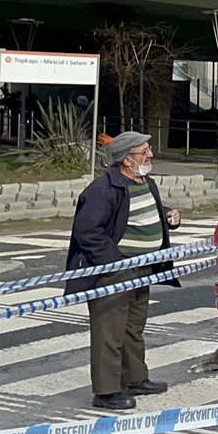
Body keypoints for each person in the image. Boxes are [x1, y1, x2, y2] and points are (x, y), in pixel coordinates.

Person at [65, 131, 181, 411]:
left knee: (133, 328)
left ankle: (135, 378)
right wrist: (115, 261)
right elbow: (87, 231)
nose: (150, 154)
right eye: (144, 151)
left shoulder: (144, 182)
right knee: (109, 332)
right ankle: (106, 392)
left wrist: (167, 215)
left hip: (143, 268)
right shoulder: (102, 188)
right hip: (114, 271)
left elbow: (141, 209)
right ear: (127, 160)